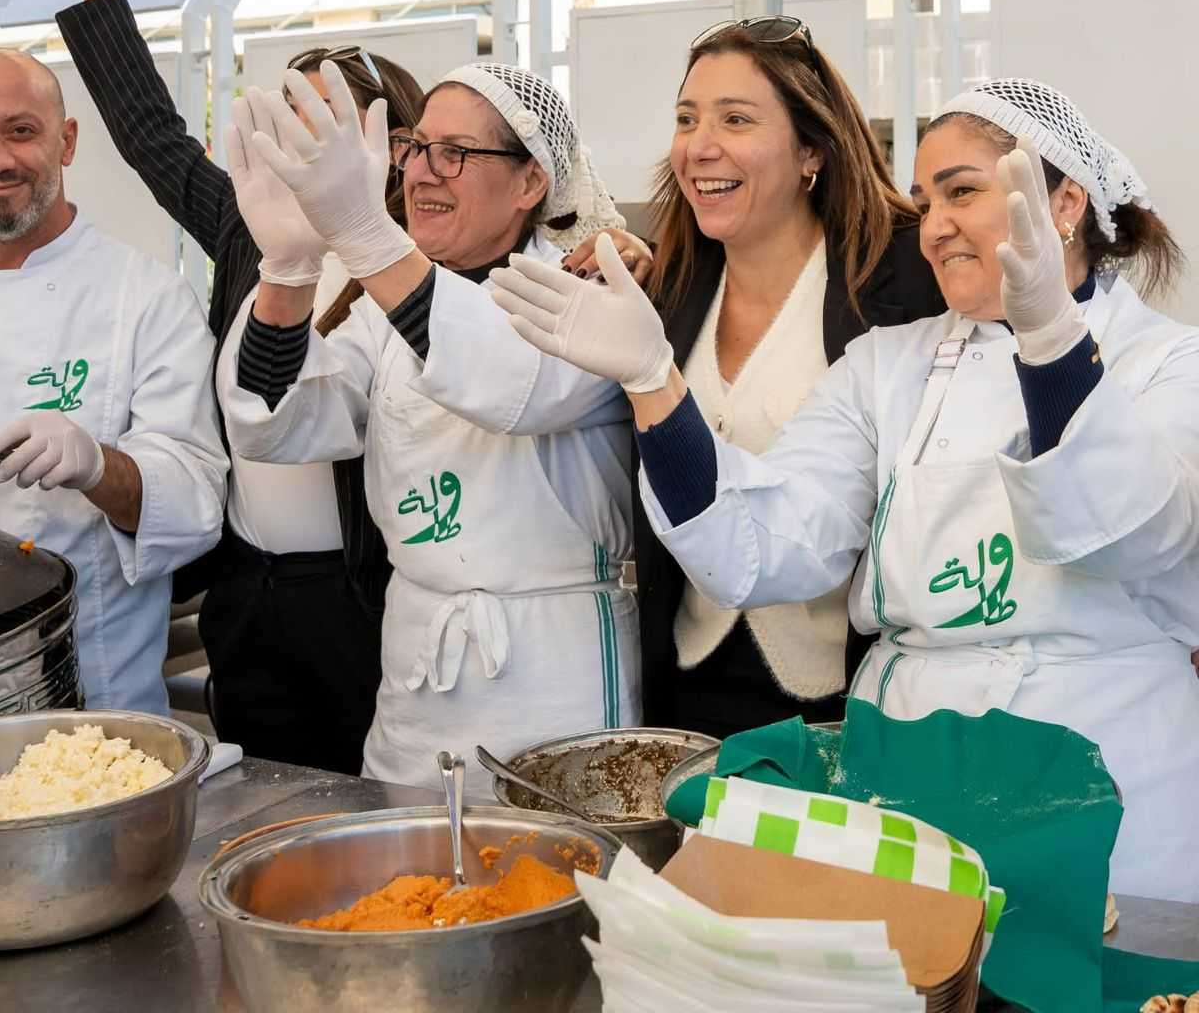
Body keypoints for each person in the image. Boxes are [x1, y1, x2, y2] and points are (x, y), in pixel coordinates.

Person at [491, 78, 1199, 902]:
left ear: (1066, 202)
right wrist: (655, 384)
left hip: (1106, 769)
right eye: (925, 200)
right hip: (912, 772)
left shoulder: (1169, 364)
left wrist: (1047, 335)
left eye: (963, 193)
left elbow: (1129, 531)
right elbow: (762, 546)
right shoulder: (887, 367)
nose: (933, 228)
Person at [42, 0, 424, 774]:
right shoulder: (247, 224)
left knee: (367, 788)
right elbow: (153, 141)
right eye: (292, 123)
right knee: (264, 790)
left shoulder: (416, 255)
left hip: (360, 594)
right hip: (248, 583)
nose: (304, 147)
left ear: (390, 144)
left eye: (329, 125)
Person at [220, 58, 642, 794]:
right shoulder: (384, 311)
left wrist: (364, 234)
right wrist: (286, 271)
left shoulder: (591, 286)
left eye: (456, 154)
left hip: (553, 672)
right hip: (416, 675)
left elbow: (511, 385)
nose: (421, 173)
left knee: (556, 876)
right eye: (416, 148)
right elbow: (284, 422)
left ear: (530, 182)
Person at [563, 17, 943, 739]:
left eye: (736, 119)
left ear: (811, 152)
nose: (700, 145)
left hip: (851, 696)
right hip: (689, 681)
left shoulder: (905, 282)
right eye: (686, 119)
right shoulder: (664, 288)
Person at [0, 48, 225, 714]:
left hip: (92, 702)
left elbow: (197, 504)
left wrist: (97, 466)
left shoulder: (145, 296)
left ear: (68, 141)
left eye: (20, 131)